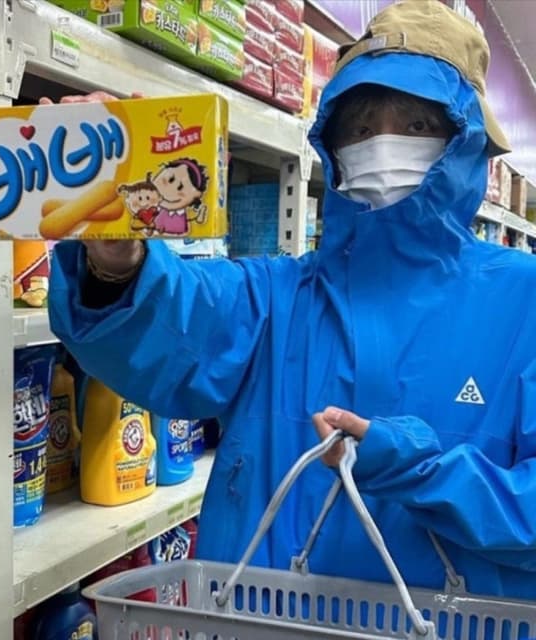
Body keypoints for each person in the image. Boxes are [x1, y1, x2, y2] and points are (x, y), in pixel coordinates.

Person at [47, 0, 536, 600]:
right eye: (361, 128)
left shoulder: (524, 302)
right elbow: (176, 320)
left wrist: (420, 472)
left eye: (416, 126)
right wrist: (117, 260)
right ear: (333, 147)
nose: (382, 144)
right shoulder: (274, 297)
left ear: (465, 145)